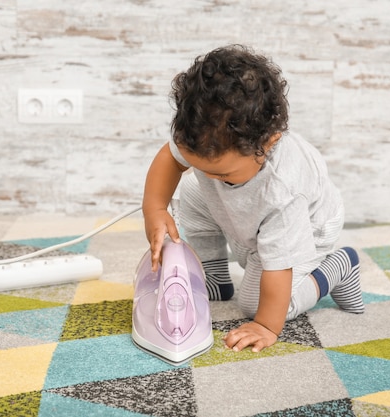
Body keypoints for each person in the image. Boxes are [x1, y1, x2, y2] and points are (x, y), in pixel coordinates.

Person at [142, 44, 364, 354]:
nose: (210, 176)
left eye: (222, 173)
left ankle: (337, 267)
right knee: (192, 191)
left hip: (305, 228)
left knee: (255, 303)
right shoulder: (202, 135)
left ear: (268, 143)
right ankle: (216, 278)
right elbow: (172, 158)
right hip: (250, 213)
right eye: (203, 168)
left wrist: (266, 325)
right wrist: (154, 208)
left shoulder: (282, 191)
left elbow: (278, 268)